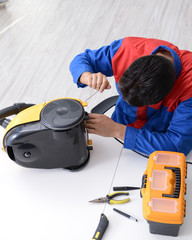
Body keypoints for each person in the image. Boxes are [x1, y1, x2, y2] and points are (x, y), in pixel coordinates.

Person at [69, 37, 192, 156]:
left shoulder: (189, 86)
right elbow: (84, 59)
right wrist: (87, 76)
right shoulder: (127, 49)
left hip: (155, 143)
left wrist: (117, 130)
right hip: (117, 132)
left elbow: (176, 145)